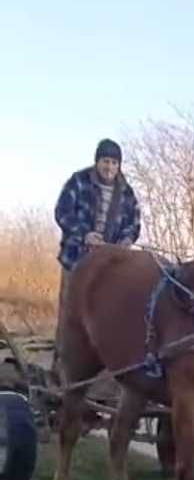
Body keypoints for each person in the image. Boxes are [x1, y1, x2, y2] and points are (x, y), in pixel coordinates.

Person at [53, 138, 141, 360]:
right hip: (76, 260)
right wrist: (84, 234)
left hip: (107, 267)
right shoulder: (79, 181)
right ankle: (61, 371)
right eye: (105, 161)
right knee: (70, 318)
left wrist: (125, 242)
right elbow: (62, 212)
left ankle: (99, 375)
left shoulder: (126, 192)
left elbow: (134, 223)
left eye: (114, 162)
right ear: (97, 162)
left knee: (102, 317)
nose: (109, 167)